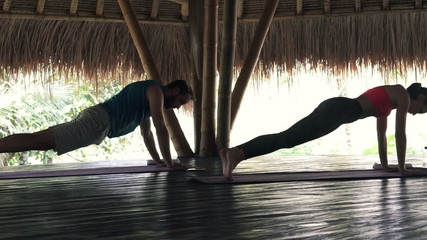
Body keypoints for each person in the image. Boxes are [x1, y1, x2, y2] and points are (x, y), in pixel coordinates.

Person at [221, 83, 427, 180]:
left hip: (338, 108)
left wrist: (386, 166)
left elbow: (382, 138)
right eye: (422, 109)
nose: (417, 114)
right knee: (288, 138)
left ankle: (234, 152)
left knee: (288, 138)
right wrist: (402, 170)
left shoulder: (388, 102)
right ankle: (238, 153)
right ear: (420, 98)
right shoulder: (402, 95)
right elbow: (400, 134)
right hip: (341, 110)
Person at [0, 79, 194, 170]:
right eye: (180, 102)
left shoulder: (148, 100)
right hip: (97, 121)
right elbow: (160, 127)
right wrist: (170, 165)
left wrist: (160, 161)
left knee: (39, 139)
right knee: (41, 142)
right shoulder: (155, 91)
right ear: (173, 90)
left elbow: (148, 134)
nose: (178, 108)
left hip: (97, 119)